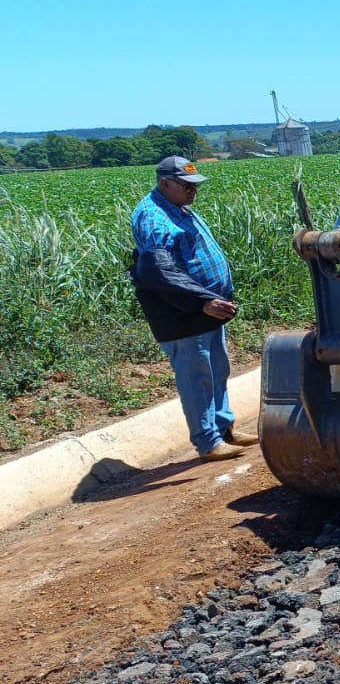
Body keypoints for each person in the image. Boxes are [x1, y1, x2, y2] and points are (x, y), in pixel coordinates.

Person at [129, 156, 258, 461]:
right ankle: (207, 441)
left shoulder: (177, 207)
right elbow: (160, 272)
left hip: (205, 308)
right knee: (196, 374)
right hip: (184, 312)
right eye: (187, 185)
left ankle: (223, 429)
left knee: (217, 368)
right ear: (166, 183)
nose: (193, 190)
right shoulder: (153, 217)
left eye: (195, 185)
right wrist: (202, 300)